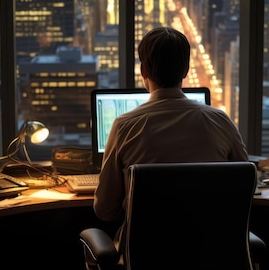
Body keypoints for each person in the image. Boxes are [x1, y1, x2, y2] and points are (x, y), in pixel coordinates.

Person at [94, 26, 250, 238]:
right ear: (186, 71)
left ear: (143, 72)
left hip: (145, 262)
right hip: (212, 259)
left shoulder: (124, 126)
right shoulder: (220, 121)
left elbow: (105, 210)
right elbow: (244, 188)